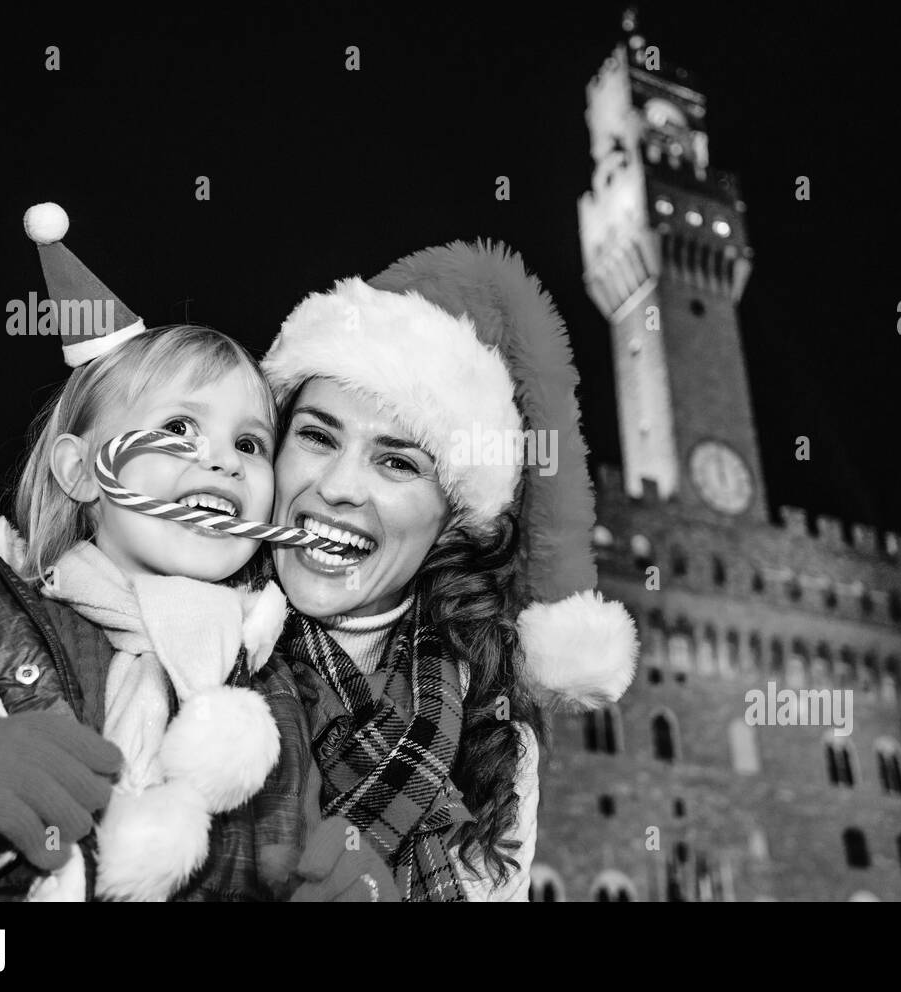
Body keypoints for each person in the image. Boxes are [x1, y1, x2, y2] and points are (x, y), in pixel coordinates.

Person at [0, 204, 394, 902]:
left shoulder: (268, 693)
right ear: (82, 473)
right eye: (177, 427)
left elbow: (310, 856)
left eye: (250, 444)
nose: (223, 463)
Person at [258, 240, 641, 901]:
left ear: (453, 518)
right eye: (318, 436)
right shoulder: (189, 634)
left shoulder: (496, 743)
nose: (340, 486)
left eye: (397, 463)